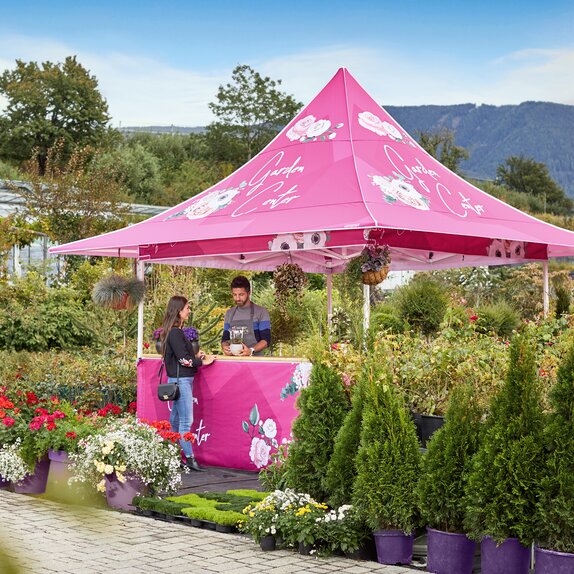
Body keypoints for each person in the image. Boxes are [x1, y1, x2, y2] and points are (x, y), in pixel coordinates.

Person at [160, 295, 215, 472]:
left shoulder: (172, 331)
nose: (189, 311)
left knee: (175, 420)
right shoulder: (176, 332)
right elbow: (184, 360)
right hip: (181, 380)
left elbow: (182, 357)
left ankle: (172, 455)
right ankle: (189, 458)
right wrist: (201, 362)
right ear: (178, 311)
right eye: (187, 308)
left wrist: (196, 357)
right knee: (185, 421)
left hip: (178, 380)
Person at [221, 276, 271, 357]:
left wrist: (251, 351)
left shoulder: (261, 312)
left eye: (241, 294)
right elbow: (225, 339)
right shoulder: (229, 313)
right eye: (234, 294)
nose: (237, 298)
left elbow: (266, 340)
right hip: (234, 362)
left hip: (255, 361)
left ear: (249, 293)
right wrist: (225, 347)